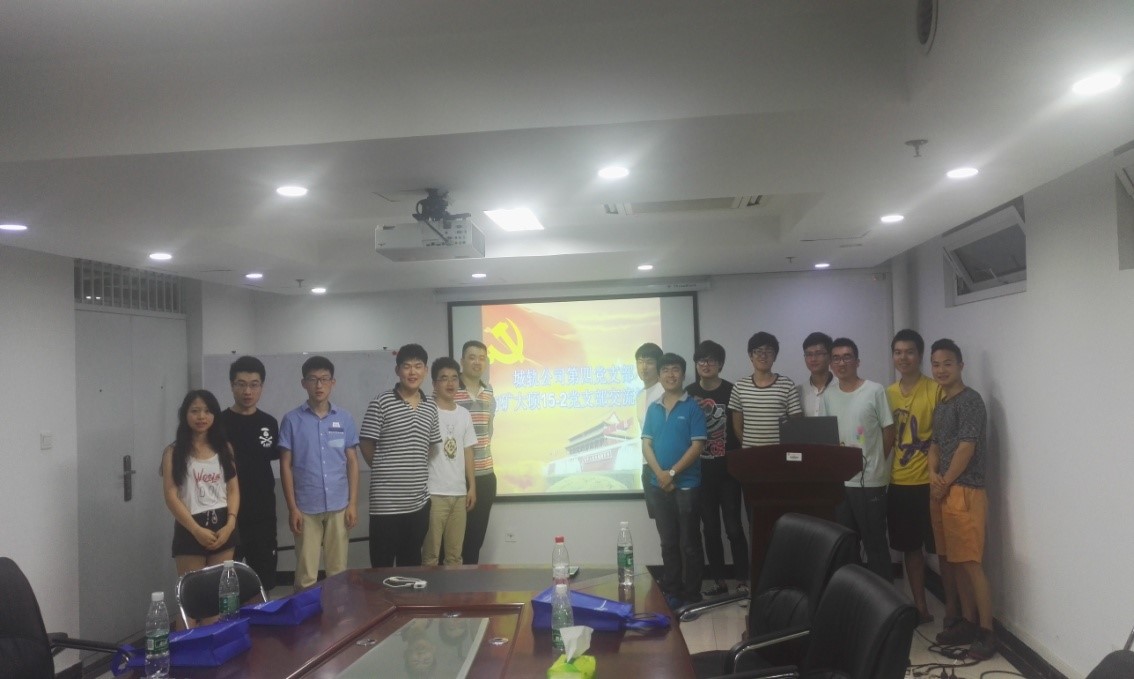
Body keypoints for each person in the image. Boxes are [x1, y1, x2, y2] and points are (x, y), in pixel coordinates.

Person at [928, 339, 996, 660]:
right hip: (941, 491)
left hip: (965, 491)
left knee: (970, 563)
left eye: (947, 363)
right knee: (952, 561)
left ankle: (987, 632)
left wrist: (944, 482)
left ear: (960, 366)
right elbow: (935, 445)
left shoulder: (971, 401)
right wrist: (933, 475)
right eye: (936, 364)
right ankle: (968, 622)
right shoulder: (942, 403)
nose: (941, 370)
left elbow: (967, 448)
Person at [279, 356, 360, 590]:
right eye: (313, 379)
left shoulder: (344, 418)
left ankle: (338, 613)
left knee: (338, 571)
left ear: (333, 382)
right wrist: (292, 508)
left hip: (339, 505)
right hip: (306, 506)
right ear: (303, 383)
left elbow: (352, 462)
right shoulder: (292, 420)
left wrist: (352, 503)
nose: (319, 385)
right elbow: (285, 465)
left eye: (324, 379)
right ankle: (305, 613)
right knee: (306, 574)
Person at [360, 343, 441, 567]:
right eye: (407, 366)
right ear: (397, 370)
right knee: (382, 568)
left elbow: (431, 446)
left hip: (418, 504)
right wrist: (383, 468)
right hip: (385, 504)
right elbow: (366, 443)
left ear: (425, 370)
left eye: (418, 366)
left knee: (411, 566)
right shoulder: (381, 402)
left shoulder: (430, 407)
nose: (412, 372)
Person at [823, 337, 895, 582]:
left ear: (857, 361)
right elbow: (827, 436)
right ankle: (852, 596)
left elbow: (888, 430)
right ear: (831, 364)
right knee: (845, 545)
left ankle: (884, 600)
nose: (841, 362)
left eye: (847, 357)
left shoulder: (874, 390)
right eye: (836, 358)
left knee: (876, 544)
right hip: (841, 484)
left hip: (871, 481)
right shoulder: (828, 395)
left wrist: (875, 462)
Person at [162, 390, 240, 616]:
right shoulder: (173, 452)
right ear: (185, 414)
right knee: (191, 600)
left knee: (216, 598)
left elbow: (233, 489)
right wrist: (196, 530)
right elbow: (170, 495)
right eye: (195, 411)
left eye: (207, 411)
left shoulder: (224, 448)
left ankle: (212, 638)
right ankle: (188, 640)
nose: (201, 416)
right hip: (190, 526)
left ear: (214, 415)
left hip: (223, 524)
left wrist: (230, 524)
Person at [886, 330, 945, 624]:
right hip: (900, 482)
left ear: (920, 355)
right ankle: (920, 608)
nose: (903, 357)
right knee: (911, 550)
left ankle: (955, 611)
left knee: (943, 549)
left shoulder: (935, 390)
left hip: (932, 483)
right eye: (898, 352)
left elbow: (943, 438)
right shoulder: (887, 394)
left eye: (909, 352)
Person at [642, 352, 708, 608]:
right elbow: (646, 445)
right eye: (665, 370)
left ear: (683, 374)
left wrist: (671, 473)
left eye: (675, 370)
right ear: (659, 376)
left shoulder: (693, 407)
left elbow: (697, 446)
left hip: (687, 485)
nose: (670, 374)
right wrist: (660, 474)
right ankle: (672, 591)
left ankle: (692, 595)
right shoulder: (653, 408)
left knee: (689, 543)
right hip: (658, 484)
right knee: (668, 542)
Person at [685, 340, 747, 597]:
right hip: (701, 474)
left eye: (711, 360)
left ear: (720, 364)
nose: (706, 364)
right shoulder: (688, 393)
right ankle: (719, 580)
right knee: (710, 530)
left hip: (729, 473)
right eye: (701, 360)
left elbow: (740, 428)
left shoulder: (732, 390)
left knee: (733, 527)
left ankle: (743, 579)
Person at [220, 355, 280, 591]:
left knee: (264, 581)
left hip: (263, 514)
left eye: (254, 384)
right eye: (241, 384)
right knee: (226, 583)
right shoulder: (218, 423)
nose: (248, 391)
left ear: (261, 386)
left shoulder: (269, 423)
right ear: (231, 385)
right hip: (227, 515)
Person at [422, 357, 478, 566]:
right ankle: (428, 590)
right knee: (430, 555)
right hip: (433, 493)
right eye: (444, 378)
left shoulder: (464, 414)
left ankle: (453, 589)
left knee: (455, 556)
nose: (450, 383)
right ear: (434, 383)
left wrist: (472, 487)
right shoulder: (426, 411)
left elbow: (468, 452)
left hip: (459, 494)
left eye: (454, 378)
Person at [454, 340, 497, 565]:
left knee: (474, 542)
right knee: (452, 544)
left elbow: (488, 430)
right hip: (456, 478)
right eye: (472, 357)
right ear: (462, 361)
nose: (477, 362)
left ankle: (470, 583)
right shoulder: (450, 390)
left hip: (485, 475)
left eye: (481, 358)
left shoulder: (488, 391)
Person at [728, 332, 802, 448]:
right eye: (758, 351)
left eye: (769, 351)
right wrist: (750, 449)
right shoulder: (739, 386)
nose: (763, 355)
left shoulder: (787, 385)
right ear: (750, 355)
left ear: (775, 356)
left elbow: (796, 423)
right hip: (750, 454)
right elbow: (737, 427)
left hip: (779, 453)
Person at [634, 342, 665, 503]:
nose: (644, 367)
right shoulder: (640, 395)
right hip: (647, 464)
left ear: (659, 365)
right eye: (640, 362)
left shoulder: (665, 391)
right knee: (656, 515)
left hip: (665, 465)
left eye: (649, 362)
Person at [800, 332, 834, 416]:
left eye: (819, 353)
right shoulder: (798, 392)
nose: (813, 359)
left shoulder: (841, 387)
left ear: (830, 356)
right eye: (809, 354)